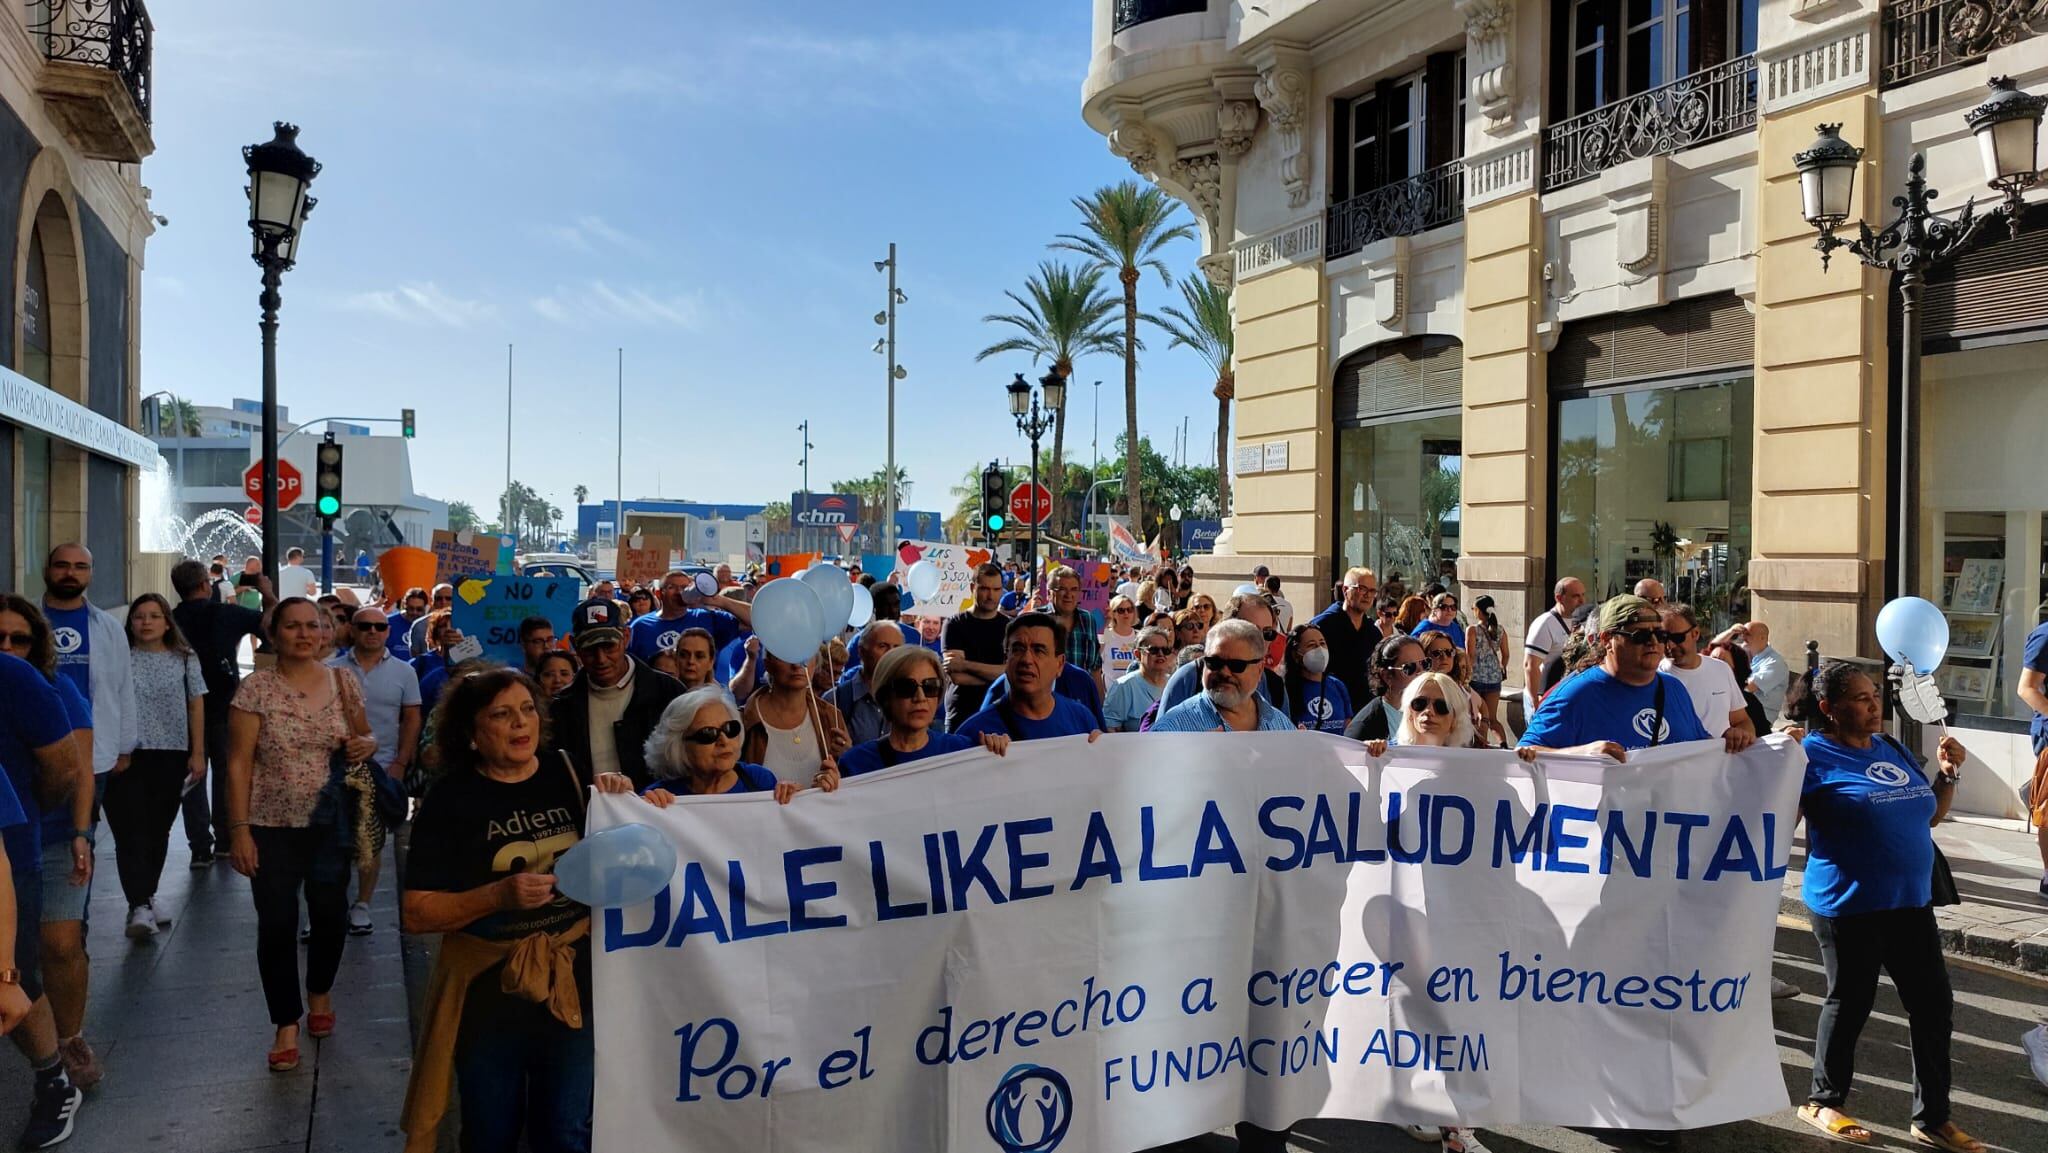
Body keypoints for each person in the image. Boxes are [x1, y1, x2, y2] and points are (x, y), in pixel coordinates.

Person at [402, 668, 649, 1153]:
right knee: (491, 1129)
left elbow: (619, 856)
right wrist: (497, 897)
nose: (520, 724)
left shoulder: (568, 771)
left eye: (527, 710)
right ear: (472, 734)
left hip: (573, 979)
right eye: (501, 714)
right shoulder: (450, 800)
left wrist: (638, 805)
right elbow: (416, 914)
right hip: (489, 990)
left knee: (566, 1127)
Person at [1794, 663, 1981, 1153]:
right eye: (1858, 698)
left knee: (1933, 1006)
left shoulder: (1892, 749)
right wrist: (1773, 754)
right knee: (1850, 1003)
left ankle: (1933, 1118)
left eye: (1873, 694)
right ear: (1828, 709)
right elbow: (1771, 820)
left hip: (1909, 903)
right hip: (1847, 905)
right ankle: (1822, 1100)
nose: (1872, 705)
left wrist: (1947, 774)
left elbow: (1933, 815)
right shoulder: (1810, 755)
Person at [225, 599, 379, 1074]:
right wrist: (238, 831)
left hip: (329, 826)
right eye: (292, 626)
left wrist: (366, 744)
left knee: (331, 917)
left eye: (314, 625)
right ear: (274, 633)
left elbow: (364, 736)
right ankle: (285, 1022)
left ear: (328, 632)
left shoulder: (344, 681)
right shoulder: (256, 689)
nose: (304, 634)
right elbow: (238, 763)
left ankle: (319, 994)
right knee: (276, 924)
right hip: (270, 826)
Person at [38, 544, 130, 1093]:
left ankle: (73, 937)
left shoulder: (106, 627)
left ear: (91, 574)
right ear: (46, 572)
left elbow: (119, 689)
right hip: (32, 770)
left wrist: (123, 746)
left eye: (81, 566)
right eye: (62, 565)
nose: (70, 573)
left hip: (88, 766)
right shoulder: (25, 617)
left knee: (78, 854)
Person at [0, 605, 91, 1140]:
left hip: (14, 846)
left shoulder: (16, 677)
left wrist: (35, 817)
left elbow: (66, 766)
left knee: (16, 973)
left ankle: (54, 1081)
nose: (9, 645)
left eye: (18, 637)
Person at [1519, 596, 1740, 760]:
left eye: (1660, 635)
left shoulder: (1674, 688)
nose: (1654, 642)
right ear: (1607, 639)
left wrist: (1730, 740)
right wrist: (1584, 753)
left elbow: (1700, 747)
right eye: (1640, 636)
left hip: (1664, 820)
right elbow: (1524, 755)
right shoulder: (1575, 694)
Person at [105, 595, 206, 943]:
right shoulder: (119, 659)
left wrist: (198, 752)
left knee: (158, 829)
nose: (146, 622)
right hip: (126, 754)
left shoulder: (184, 659)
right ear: (130, 623)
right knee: (128, 831)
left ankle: (147, 896)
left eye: (154, 616)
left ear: (167, 622)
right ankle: (138, 904)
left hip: (171, 753)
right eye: (139, 617)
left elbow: (196, 704)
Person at [327, 606, 421, 937]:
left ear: (387, 632)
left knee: (371, 839)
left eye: (379, 626)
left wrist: (400, 762)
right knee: (329, 839)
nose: (372, 631)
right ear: (352, 630)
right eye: (364, 626)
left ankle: (363, 905)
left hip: (382, 768)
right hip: (332, 768)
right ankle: (325, 905)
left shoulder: (404, 672)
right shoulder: (329, 669)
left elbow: (411, 719)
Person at [170, 559, 271, 867]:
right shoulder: (226, 614)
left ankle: (200, 845)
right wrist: (267, 593)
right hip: (226, 703)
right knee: (228, 770)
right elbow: (270, 624)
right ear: (205, 585)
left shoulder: (171, 619)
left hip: (183, 706)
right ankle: (225, 838)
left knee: (192, 774)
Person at [548, 598, 682, 790]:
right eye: (590, 649)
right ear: (574, 647)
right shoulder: (562, 706)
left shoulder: (669, 692)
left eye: (609, 646)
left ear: (626, 637)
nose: (601, 658)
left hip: (656, 810)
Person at [837, 647, 1010, 777]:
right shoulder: (854, 764)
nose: (920, 697)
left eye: (930, 687)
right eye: (906, 688)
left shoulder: (964, 752)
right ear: (884, 696)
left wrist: (999, 752)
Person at [629, 687, 807, 804]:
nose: (723, 740)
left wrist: (797, 799)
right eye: (708, 733)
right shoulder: (659, 797)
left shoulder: (760, 781)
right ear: (678, 746)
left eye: (730, 729)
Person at [956, 614, 1101, 742]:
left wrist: (1102, 752)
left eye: (1039, 650)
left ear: (1059, 664)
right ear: (1006, 659)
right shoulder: (975, 734)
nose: (1026, 659)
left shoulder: (1083, 722)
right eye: (1017, 649)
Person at [1156, 592, 1286, 717]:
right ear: (1227, 627)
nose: (1260, 639)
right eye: (1251, 631)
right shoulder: (1188, 678)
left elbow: (1285, 737)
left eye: (1268, 633)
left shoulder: (1275, 686)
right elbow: (1161, 738)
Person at [1151, 620, 1296, 732]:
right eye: (1214, 662)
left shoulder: (1281, 726)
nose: (1225, 672)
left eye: (1236, 665)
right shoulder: (1172, 728)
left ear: (1259, 670)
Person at [739, 650, 848, 788]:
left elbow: (849, 788)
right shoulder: (744, 720)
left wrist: (846, 761)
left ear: (816, 663)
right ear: (768, 663)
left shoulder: (831, 716)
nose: (797, 665)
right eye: (787, 655)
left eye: (806, 655)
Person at [1658, 603, 1756, 745]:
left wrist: (1741, 735)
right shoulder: (1654, 677)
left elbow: (1741, 720)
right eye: (1663, 638)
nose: (1670, 645)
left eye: (1677, 638)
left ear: (1695, 633)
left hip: (1720, 764)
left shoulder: (1721, 669)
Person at [627, 570, 752, 664]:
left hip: (699, 695)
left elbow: (754, 621)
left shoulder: (706, 618)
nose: (679, 592)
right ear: (660, 593)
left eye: (684, 587)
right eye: (672, 587)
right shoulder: (640, 626)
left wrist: (720, 601)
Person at [942, 563, 1010, 733]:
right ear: (973, 588)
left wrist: (965, 665)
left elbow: (1011, 672)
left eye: (996, 589)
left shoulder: (1010, 627)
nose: (991, 595)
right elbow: (957, 677)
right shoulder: (954, 624)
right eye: (985, 589)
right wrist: (999, 676)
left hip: (1000, 712)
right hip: (962, 712)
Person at [1309, 567, 1382, 708]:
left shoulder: (1373, 632)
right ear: (1345, 590)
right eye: (1362, 589)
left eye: (1372, 591)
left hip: (1363, 707)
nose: (1367, 595)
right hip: (1329, 705)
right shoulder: (1322, 625)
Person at [824, 622, 902, 747]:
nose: (891, 653)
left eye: (896, 647)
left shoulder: (910, 698)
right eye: (883, 646)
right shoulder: (835, 700)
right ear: (861, 651)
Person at [1522, 577, 1586, 718]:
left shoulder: (1582, 622)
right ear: (1559, 597)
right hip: (1545, 698)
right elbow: (1530, 666)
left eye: (1583, 595)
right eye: (1576, 596)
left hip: (1567, 697)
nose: (1582, 601)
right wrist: (1536, 703)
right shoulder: (1545, 623)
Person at [1345, 635, 1427, 742]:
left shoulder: (1432, 710)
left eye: (1425, 664)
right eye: (1409, 668)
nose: (1421, 673)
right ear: (1387, 676)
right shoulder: (1364, 728)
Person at [1043, 566, 1104, 697]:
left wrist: (1098, 708)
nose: (1069, 595)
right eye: (1062, 589)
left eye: (1074, 589)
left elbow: (1095, 668)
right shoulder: (1037, 620)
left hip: (1081, 702)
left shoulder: (1087, 619)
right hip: (1046, 703)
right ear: (1049, 593)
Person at [1104, 626, 1174, 733]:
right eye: (1153, 650)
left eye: (1165, 650)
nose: (1161, 654)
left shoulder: (1174, 684)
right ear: (1137, 654)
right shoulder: (1124, 686)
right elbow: (1110, 729)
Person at [1284, 624, 1352, 734]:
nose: (1320, 649)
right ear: (1296, 655)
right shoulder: (1286, 690)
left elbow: (1349, 729)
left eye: (1322, 643)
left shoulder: (1337, 685)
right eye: (1311, 645)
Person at [1466, 595, 1509, 745]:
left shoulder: (1472, 630)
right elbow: (1506, 654)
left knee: (1478, 715)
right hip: (1494, 678)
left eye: (1473, 608)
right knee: (1492, 718)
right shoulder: (1500, 630)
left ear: (1478, 610)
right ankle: (1503, 743)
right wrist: (1501, 668)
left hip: (1476, 677)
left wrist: (1466, 675)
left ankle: (1481, 744)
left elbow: (1470, 656)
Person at [1099, 595, 1140, 684]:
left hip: (1135, 690)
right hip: (1112, 691)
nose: (1126, 613)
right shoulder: (1107, 634)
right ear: (1113, 613)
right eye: (1121, 610)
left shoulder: (1139, 636)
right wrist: (1106, 624)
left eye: (1129, 610)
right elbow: (1096, 658)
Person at [407, 584, 454, 658]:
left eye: (448, 598)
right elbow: (415, 656)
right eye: (438, 598)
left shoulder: (465, 623)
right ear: (432, 601)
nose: (443, 602)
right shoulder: (419, 626)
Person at [668, 627, 717, 691]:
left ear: (711, 662)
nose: (691, 661)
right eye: (684, 655)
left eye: (699, 656)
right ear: (675, 658)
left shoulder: (720, 698)